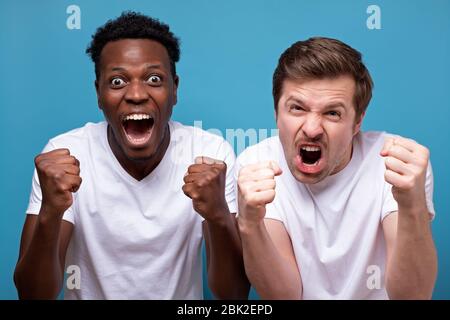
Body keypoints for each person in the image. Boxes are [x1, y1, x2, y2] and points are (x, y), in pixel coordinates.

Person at [14, 11, 249, 300]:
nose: (136, 94)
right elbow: (32, 294)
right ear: (98, 93)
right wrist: (51, 211)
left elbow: (234, 295)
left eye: (153, 79)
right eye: (117, 82)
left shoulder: (209, 155)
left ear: (174, 89)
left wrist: (218, 216)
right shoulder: (65, 155)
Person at [236, 37, 437, 299]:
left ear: (357, 123)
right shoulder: (256, 165)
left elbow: (413, 296)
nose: (311, 129)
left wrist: (412, 207)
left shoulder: (397, 163)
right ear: (276, 113)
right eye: (297, 108)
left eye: (332, 113)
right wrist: (250, 225)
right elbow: (284, 295)